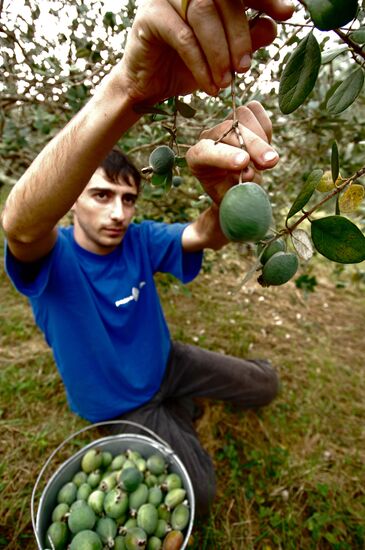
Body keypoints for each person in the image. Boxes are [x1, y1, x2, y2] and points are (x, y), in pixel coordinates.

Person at [1, 0, 293, 514]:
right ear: (72, 199)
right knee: (198, 493)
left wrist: (225, 199)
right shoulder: (54, 261)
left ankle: (181, 406)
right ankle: (168, 417)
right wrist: (127, 90)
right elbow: (21, 224)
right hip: (119, 403)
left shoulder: (137, 240)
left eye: (128, 198)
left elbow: (203, 234)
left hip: (167, 362)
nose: (118, 212)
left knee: (263, 384)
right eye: (100, 195)